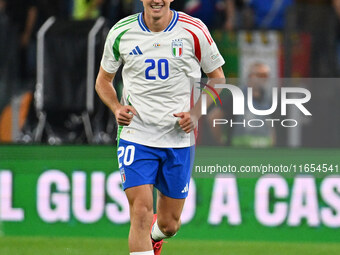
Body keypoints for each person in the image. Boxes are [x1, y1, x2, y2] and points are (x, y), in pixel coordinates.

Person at [95, 0, 225, 254]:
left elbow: (218, 79)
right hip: (136, 134)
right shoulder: (121, 32)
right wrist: (117, 108)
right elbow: (103, 81)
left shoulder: (194, 30)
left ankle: (156, 237)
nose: (157, 0)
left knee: (169, 224)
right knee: (141, 212)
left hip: (178, 138)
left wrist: (196, 114)